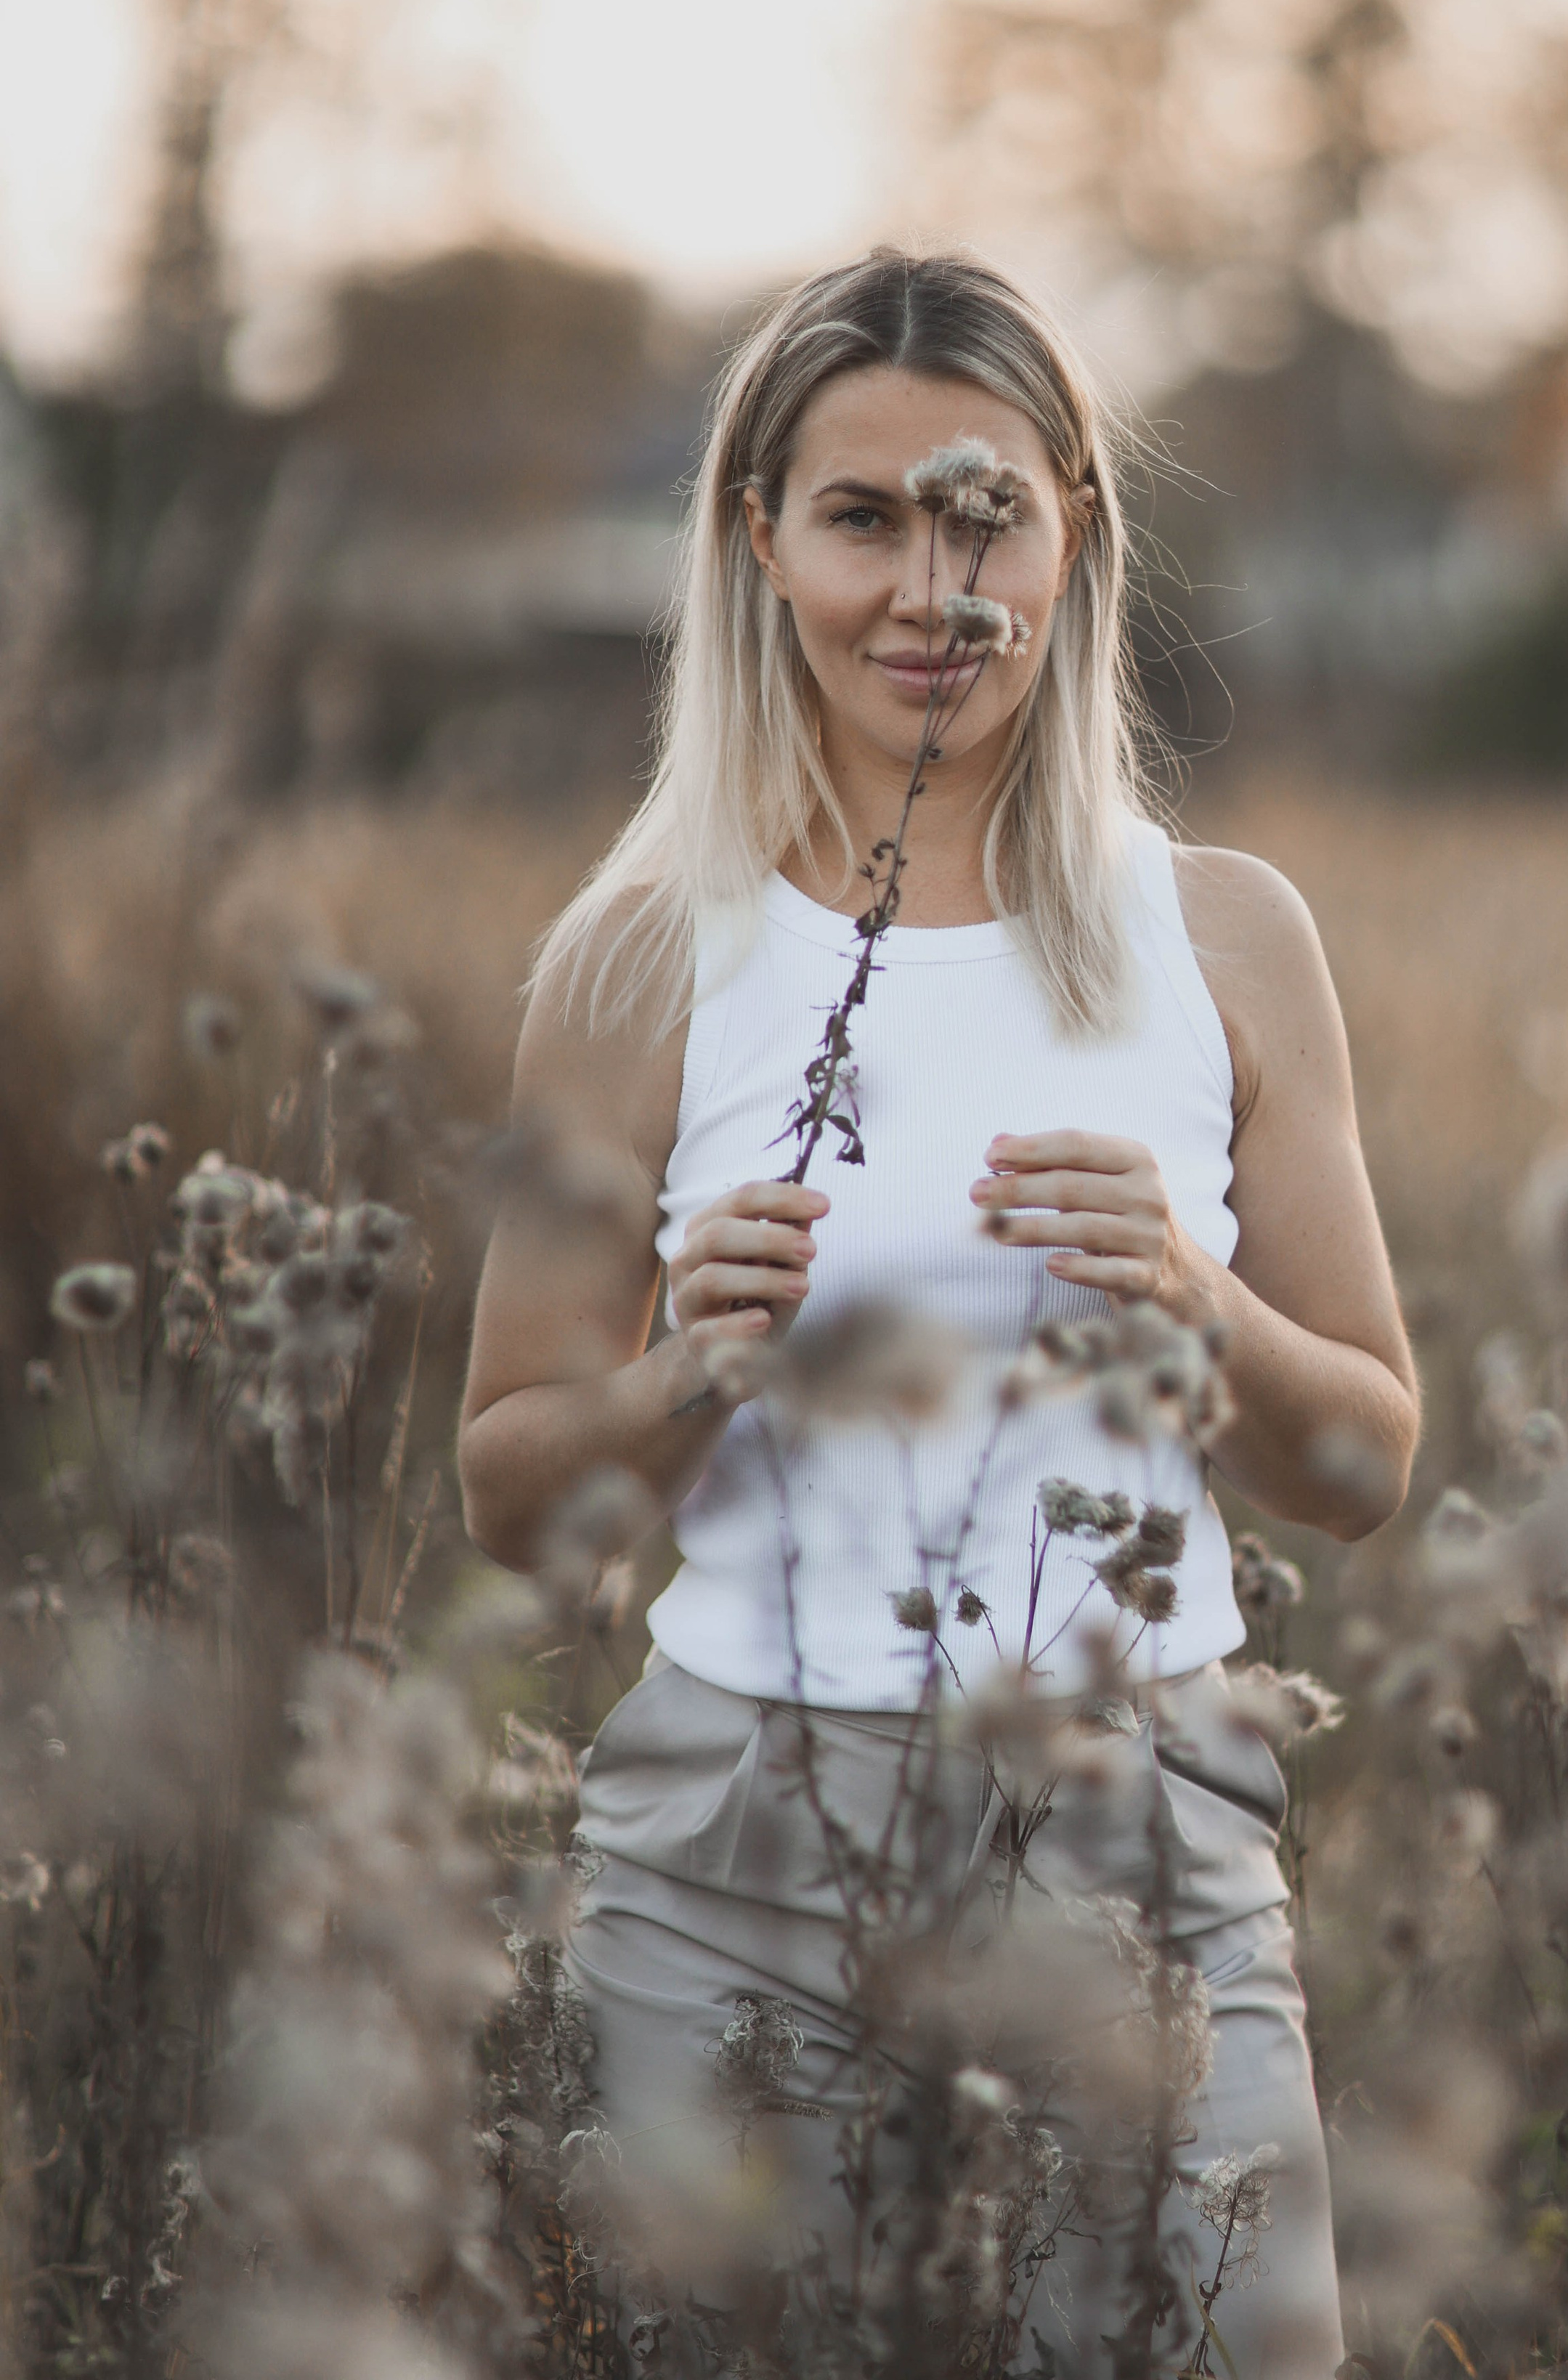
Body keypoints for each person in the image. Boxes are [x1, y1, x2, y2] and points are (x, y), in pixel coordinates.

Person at [458, 247, 1419, 2375]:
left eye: (985, 514)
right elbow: (513, 1495)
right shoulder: (634, 962)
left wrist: (1191, 1296)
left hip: (1147, 1837)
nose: (931, 585)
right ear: (760, 540)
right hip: (735, 1859)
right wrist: (677, 1385)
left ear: (1074, 531)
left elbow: (1363, 1463)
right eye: (864, 516)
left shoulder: (1230, 939)